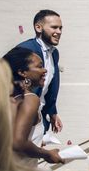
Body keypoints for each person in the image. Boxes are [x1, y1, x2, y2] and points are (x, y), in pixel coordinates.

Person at [3, 47, 63, 165]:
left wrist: (37, 141)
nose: (45, 70)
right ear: (22, 72)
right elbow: (18, 142)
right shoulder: (29, 99)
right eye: (39, 66)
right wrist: (47, 154)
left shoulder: (5, 97)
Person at [18, 9, 63, 144]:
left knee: (30, 160)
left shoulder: (54, 53)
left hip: (39, 115)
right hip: (23, 115)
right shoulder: (25, 50)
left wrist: (52, 112)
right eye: (54, 27)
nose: (59, 32)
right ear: (38, 27)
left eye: (61, 28)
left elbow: (49, 86)